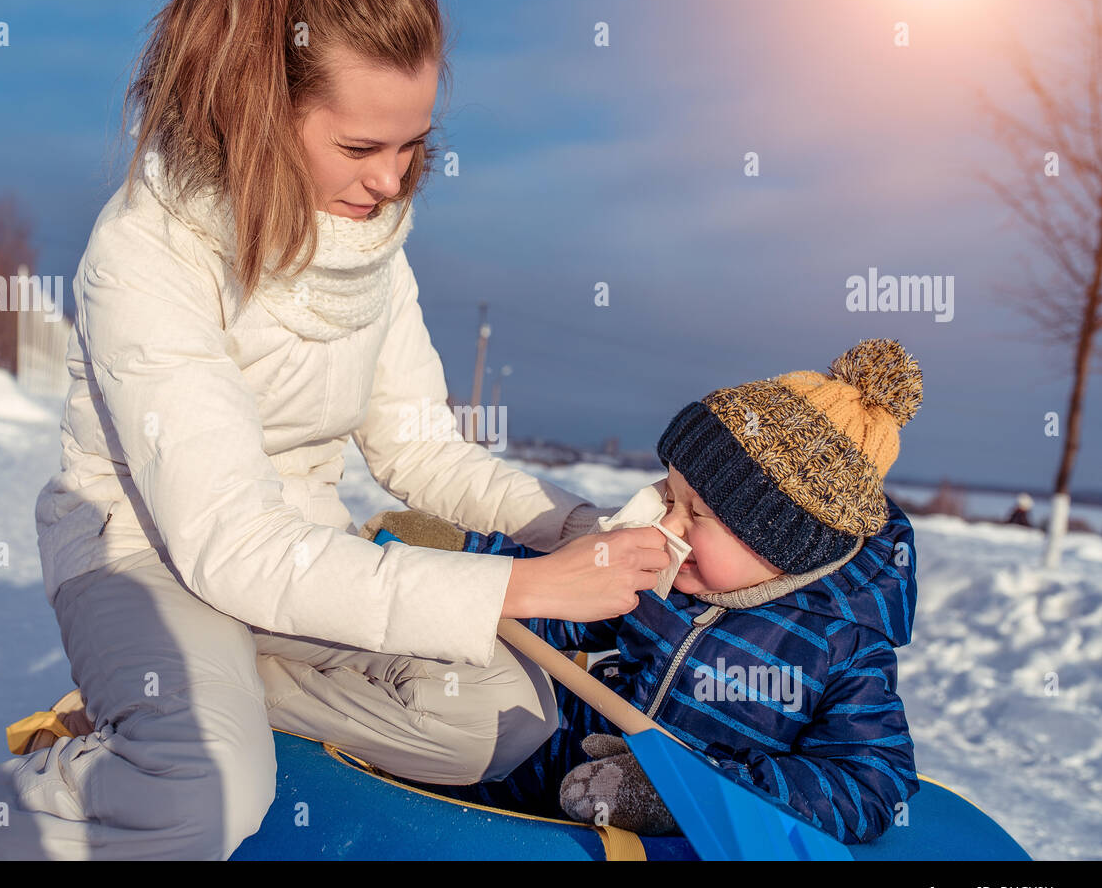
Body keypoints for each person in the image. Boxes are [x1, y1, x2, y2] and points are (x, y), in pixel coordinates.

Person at [0, 0, 669, 861]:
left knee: (499, 715)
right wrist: (527, 589)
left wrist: (579, 529)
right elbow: (231, 545)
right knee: (203, 794)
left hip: (296, 552)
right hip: (148, 558)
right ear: (253, 115)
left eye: (412, 142)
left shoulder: (371, 242)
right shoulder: (147, 252)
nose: (393, 180)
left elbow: (418, 445)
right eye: (361, 147)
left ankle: (188, 704)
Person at [372, 338, 925, 844]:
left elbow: (871, 783)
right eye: (669, 496)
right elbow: (557, 600)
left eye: (696, 514)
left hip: (655, 843)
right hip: (538, 773)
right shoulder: (664, 571)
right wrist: (463, 555)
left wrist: (680, 792)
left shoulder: (842, 650)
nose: (669, 524)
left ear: (782, 547)